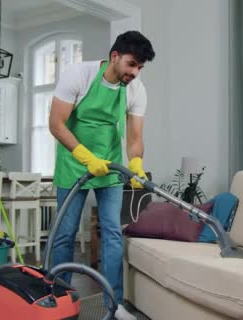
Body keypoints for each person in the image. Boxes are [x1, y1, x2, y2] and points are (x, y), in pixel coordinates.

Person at [48, 30, 155, 320]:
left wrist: (135, 162)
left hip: (109, 169)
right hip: (74, 165)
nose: (135, 72)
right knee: (64, 235)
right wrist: (84, 157)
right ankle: (59, 300)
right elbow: (56, 124)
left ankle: (114, 304)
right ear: (115, 56)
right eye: (132, 64)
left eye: (140, 67)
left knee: (112, 234)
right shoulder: (78, 76)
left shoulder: (135, 89)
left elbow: (134, 137)